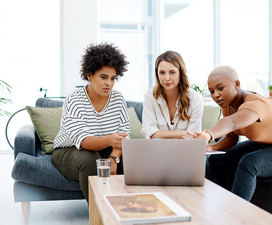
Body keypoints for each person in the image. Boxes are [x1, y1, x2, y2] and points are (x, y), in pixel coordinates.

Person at [186, 65, 272, 201]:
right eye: (211, 91)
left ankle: (238, 212)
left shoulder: (255, 104)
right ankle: (228, 200)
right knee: (216, 160)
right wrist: (211, 147)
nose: (215, 95)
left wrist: (208, 134)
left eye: (220, 88)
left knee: (249, 163)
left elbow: (231, 123)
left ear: (237, 84)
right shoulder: (228, 106)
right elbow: (231, 136)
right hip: (268, 145)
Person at [52, 43, 130, 201]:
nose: (108, 83)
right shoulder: (75, 99)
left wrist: (114, 158)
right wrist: (110, 139)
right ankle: (98, 215)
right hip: (69, 151)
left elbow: (124, 136)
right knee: (89, 159)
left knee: (132, 158)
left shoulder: (118, 98)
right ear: (89, 75)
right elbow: (84, 141)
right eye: (103, 77)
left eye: (113, 78)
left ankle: (132, 207)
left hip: (105, 150)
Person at [141, 51, 203, 139]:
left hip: (184, 150)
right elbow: (150, 133)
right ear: (157, 74)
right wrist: (181, 133)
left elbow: (192, 137)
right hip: (157, 150)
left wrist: (162, 134)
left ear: (180, 73)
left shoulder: (194, 98)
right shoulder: (150, 96)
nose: (166, 78)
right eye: (162, 73)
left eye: (172, 72)